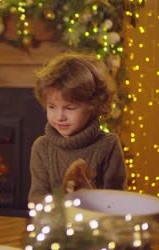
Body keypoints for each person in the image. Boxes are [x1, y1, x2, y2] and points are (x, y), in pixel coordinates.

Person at [28, 52, 126, 203]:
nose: (59, 116)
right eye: (52, 107)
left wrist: (87, 194)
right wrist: (60, 201)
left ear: (92, 106)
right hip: (55, 224)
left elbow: (117, 202)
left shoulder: (109, 145)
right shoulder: (41, 147)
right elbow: (35, 198)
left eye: (69, 108)